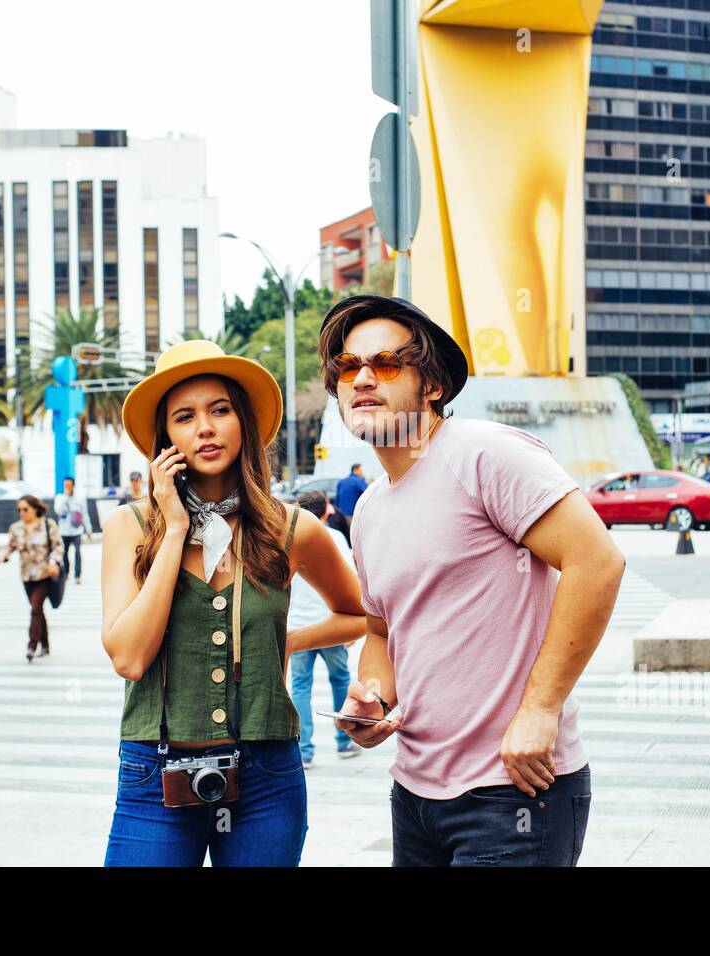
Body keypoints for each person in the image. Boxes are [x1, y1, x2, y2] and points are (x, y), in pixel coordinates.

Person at [320, 294, 626, 868]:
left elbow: (597, 562)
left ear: (431, 384)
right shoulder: (370, 510)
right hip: (414, 793)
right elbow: (383, 633)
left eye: (386, 364)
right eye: (347, 366)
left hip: (514, 788)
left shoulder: (483, 454)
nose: (362, 378)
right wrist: (370, 697)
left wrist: (541, 708)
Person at [100, 338, 366, 867]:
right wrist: (175, 529)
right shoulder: (129, 527)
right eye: (184, 416)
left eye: (219, 410)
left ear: (242, 422)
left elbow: (360, 613)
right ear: (165, 437)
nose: (204, 427)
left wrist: (288, 640)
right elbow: (128, 658)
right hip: (155, 775)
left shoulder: (292, 528)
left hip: (267, 777)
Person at [287, 490, 360, 769]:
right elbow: (351, 578)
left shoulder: (289, 536)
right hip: (330, 625)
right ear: (326, 511)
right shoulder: (335, 538)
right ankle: (344, 742)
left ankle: (305, 751)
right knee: (340, 680)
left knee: (300, 687)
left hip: (297, 626)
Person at [0, 495, 64, 662]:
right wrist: (4, 556)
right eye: (19, 509)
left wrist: (54, 562)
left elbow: (58, 546)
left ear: (35, 509)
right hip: (26, 575)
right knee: (38, 610)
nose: (21, 512)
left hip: (44, 573)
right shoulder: (16, 528)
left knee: (35, 608)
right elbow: (11, 546)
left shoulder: (48, 525)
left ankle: (32, 645)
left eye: (25, 509)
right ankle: (45, 643)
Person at [54, 476, 95, 585]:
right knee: (65, 553)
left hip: (77, 530)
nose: (67, 487)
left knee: (77, 551)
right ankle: (66, 573)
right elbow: (58, 510)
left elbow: (85, 514)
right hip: (64, 531)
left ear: (73, 486)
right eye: (65, 485)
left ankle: (77, 575)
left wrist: (88, 530)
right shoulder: (60, 497)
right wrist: (66, 497)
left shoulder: (80, 498)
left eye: (69, 485)